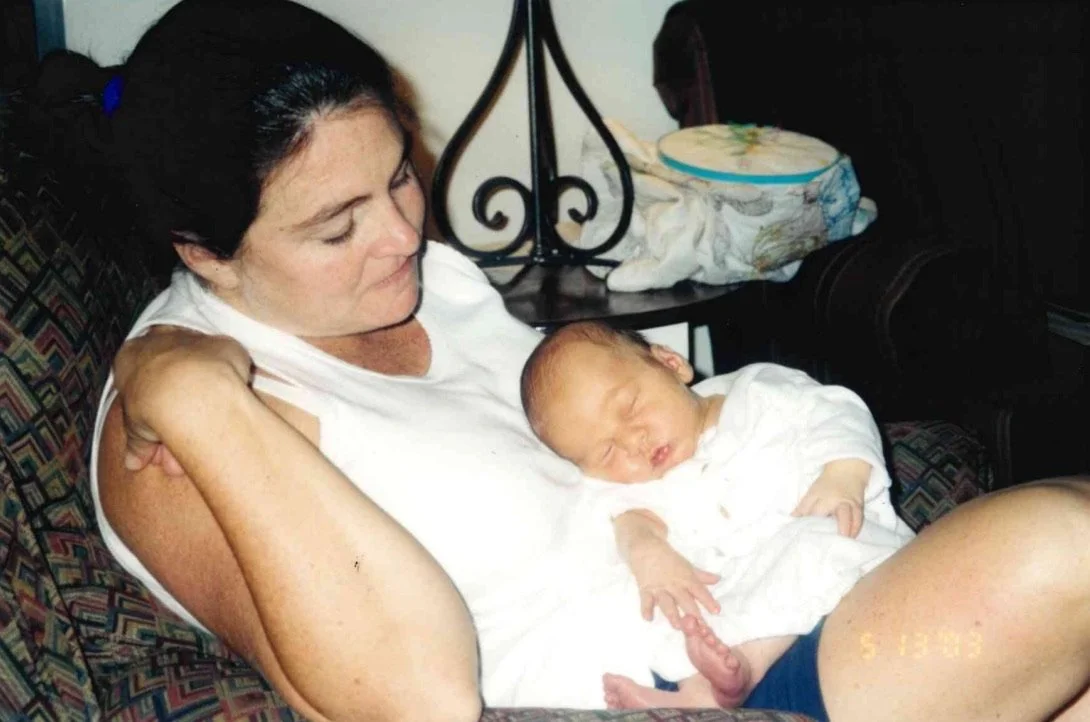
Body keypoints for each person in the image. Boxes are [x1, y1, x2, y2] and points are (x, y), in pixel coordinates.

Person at [27, 0, 1085, 720]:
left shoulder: (431, 279)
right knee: (1065, 549)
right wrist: (193, 398)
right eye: (335, 227)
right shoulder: (181, 420)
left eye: (398, 178)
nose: (401, 235)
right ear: (203, 251)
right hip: (666, 689)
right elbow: (412, 702)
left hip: (760, 589)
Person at [519, 320, 916, 710]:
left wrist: (843, 473)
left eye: (630, 408)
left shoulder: (761, 392)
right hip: (743, 587)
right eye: (607, 452)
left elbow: (837, 411)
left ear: (672, 364)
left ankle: (740, 671)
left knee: (816, 544)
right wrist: (648, 552)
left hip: (843, 548)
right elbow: (627, 518)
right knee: (666, 599)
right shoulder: (642, 484)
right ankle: (695, 689)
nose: (633, 442)